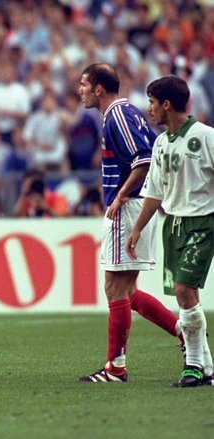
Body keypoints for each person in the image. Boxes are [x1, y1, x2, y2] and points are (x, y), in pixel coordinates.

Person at [77, 63, 183, 383]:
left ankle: (116, 367)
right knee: (128, 291)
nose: (79, 90)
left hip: (129, 206)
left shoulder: (118, 115)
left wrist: (121, 195)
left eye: (84, 84)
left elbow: (143, 158)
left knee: (115, 288)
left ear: (99, 88)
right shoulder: (127, 113)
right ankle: (184, 331)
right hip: (135, 204)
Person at [127, 76, 214, 387]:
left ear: (166, 104)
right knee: (189, 295)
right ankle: (205, 367)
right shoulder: (161, 143)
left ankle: (192, 366)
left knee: (183, 290)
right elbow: (154, 191)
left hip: (202, 223)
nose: (149, 109)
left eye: (152, 102)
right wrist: (138, 228)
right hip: (172, 225)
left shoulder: (206, 137)